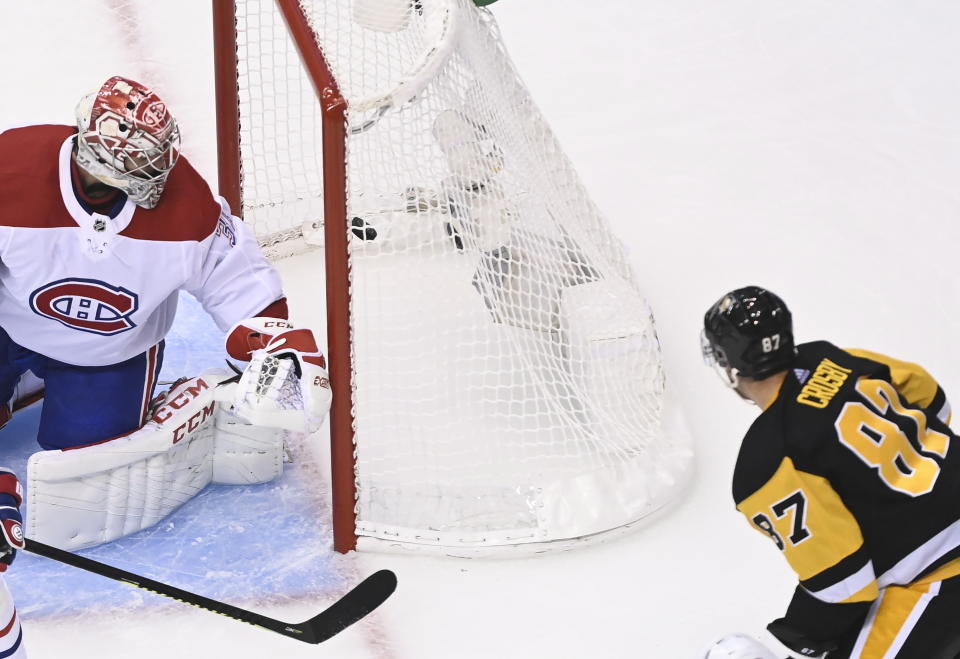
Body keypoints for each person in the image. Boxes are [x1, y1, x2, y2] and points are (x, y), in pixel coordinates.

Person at [0, 75, 322, 450]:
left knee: (84, 456)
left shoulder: (187, 204)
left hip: (109, 355)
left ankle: (73, 386)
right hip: (10, 328)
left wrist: (273, 340)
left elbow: (230, 272)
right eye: (141, 159)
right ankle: (30, 376)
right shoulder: (12, 168)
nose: (160, 169)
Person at [700, 286, 960, 659]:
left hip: (940, 574)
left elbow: (844, 584)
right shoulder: (839, 359)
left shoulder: (767, 462)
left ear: (728, 364)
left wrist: (799, 637)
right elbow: (932, 397)